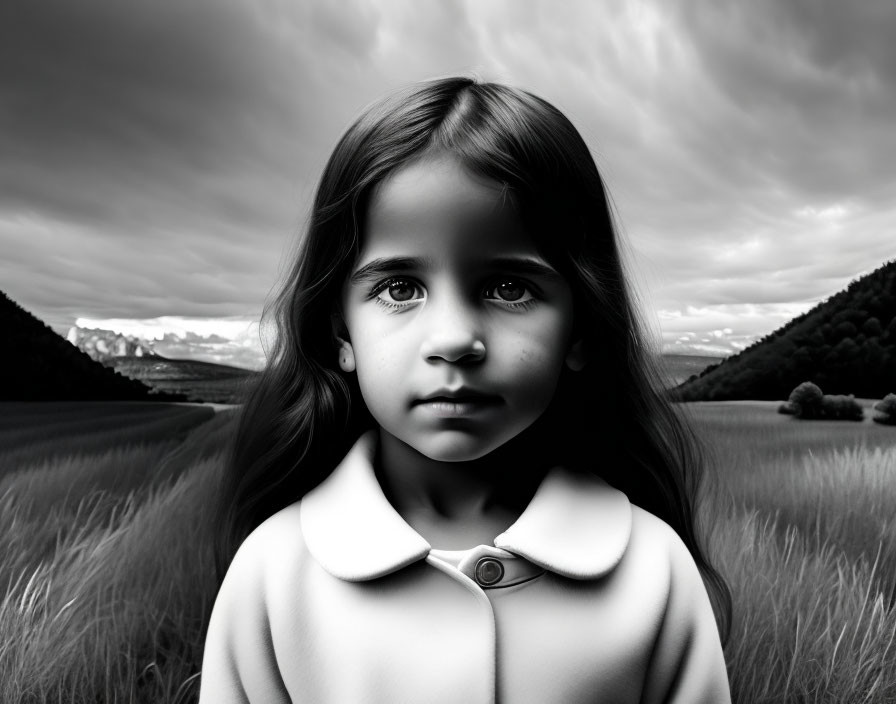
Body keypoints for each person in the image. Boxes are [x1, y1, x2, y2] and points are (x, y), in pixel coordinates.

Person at [198, 77, 732, 703]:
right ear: (340, 329)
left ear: (582, 327)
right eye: (399, 288)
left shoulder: (653, 570)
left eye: (509, 288)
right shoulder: (274, 573)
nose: (453, 339)